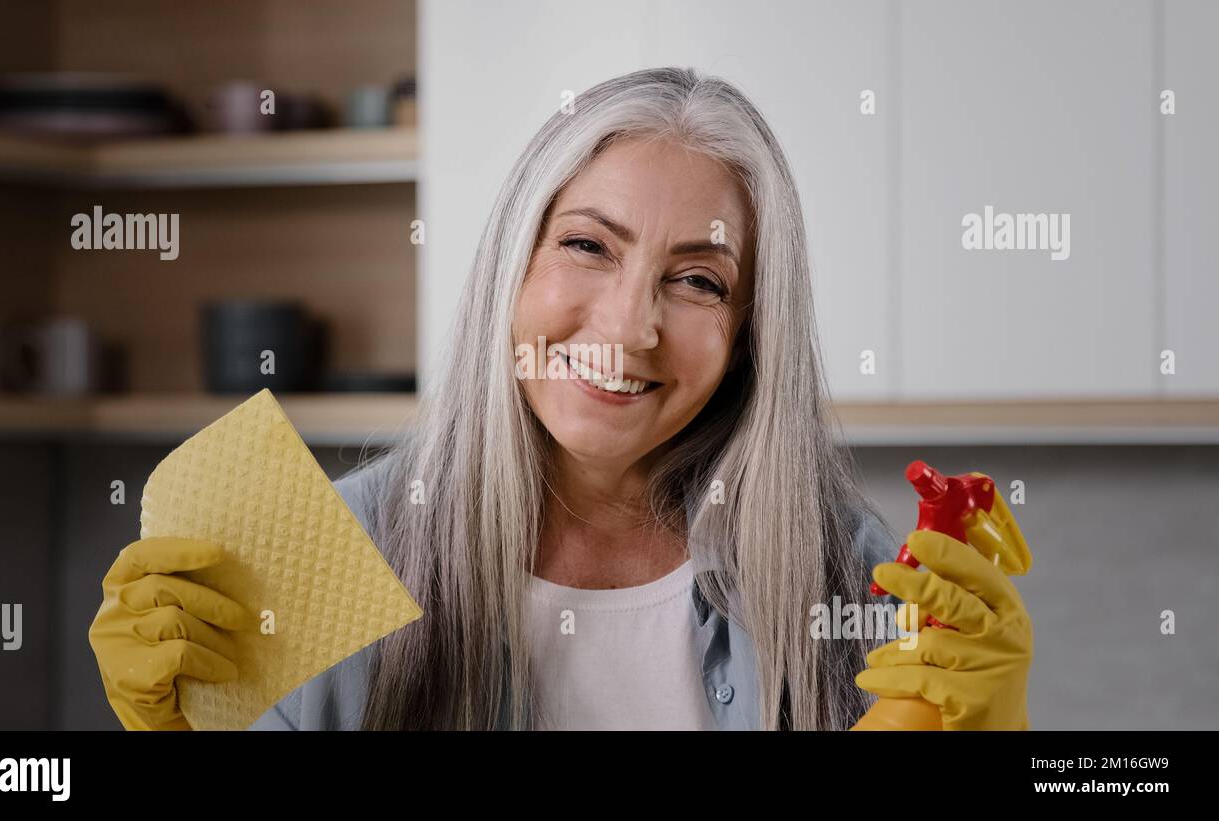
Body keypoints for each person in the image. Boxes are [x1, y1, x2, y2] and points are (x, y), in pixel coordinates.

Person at [89, 67, 1033, 731]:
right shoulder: (324, 561)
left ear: (752, 331)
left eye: (698, 281)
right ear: (514, 261)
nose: (629, 329)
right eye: (587, 245)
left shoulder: (853, 578)